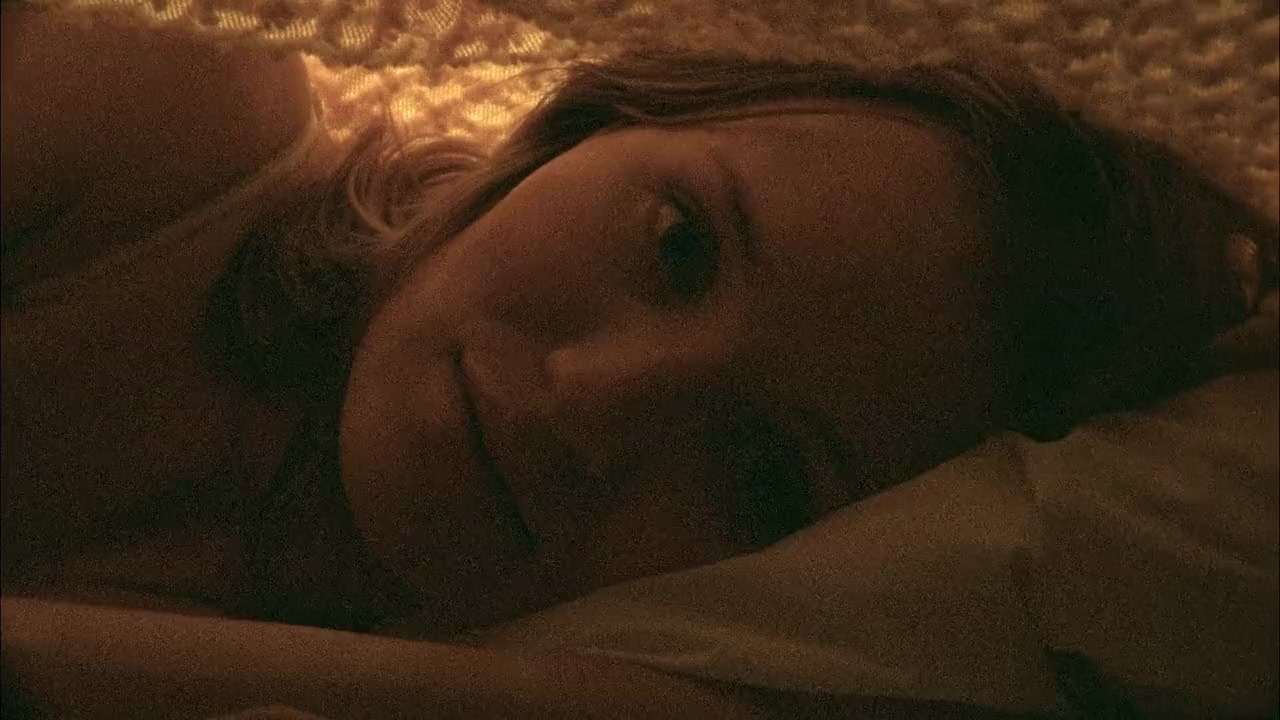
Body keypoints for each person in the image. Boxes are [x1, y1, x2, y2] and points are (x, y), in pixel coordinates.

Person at [2, 6, 1277, 717]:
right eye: (678, 245)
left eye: (761, 472)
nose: (593, 404)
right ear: (592, 123)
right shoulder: (163, 117)